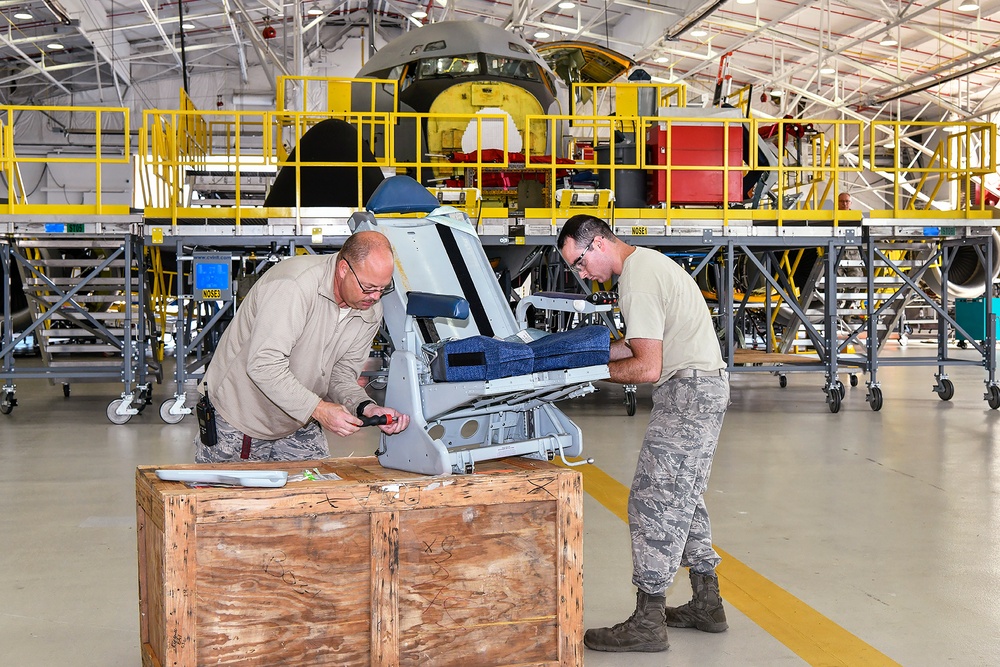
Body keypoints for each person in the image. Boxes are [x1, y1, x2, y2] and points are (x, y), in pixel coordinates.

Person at [557, 214, 730, 653]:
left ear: (596, 244)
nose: (581, 275)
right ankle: (707, 603)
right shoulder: (646, 266)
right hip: (700, 387)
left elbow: (645, 367)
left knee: (653, 499)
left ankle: (648, 620)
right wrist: (575, 355)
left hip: (687, 392)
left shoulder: (636, 279)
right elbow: (639, 344)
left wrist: (591, 374)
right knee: (683, 497)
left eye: (578, 263)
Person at [195, 231, 409, 463]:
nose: (376, 297)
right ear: (343, 269)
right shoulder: (293, 287)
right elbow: (263, 365)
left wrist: (365, 407)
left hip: (297, 417)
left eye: (383, 289)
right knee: (231, 498)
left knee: (319, 493)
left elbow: (340, 374)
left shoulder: (369, 309)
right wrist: (319, 409)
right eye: (368, 288)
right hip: (242, 418)